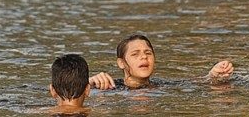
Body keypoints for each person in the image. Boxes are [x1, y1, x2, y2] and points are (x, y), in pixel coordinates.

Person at [88, 33, 234, 90]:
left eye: (148, 53)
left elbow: (194, 83)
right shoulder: (108, 88)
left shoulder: (161, 85)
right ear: (121, 63)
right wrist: (87, 82)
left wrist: (213, 75)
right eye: (135, 54)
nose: (144, 57)